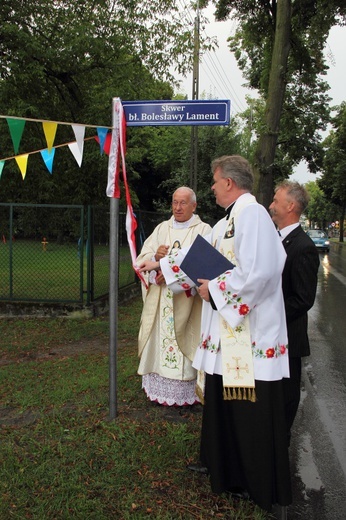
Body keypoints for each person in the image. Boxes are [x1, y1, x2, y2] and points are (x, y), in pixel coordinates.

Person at [138, 156, 292, 515]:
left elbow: (262, 272)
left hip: (245, 336)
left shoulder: (251, 216)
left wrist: (216, 291)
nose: (211, 186)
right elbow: (195, 260)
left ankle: (250, 480)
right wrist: (159, 266)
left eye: (214, 180)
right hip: (229, 334)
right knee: (225, 404)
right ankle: (223, 469)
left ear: (229, 182)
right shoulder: (227, 221)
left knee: (244, 407)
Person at [136, 187, 211, 406]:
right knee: (159, 342)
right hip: (161, 303)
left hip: (187, 303)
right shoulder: (162, 228)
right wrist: (155, 259)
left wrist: (168, 274)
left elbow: (203, 265)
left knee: (186, 341)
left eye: (183, 203)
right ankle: (158, 387)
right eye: (175, 202)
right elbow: (143, 257)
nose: (177, 208)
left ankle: (187, 392)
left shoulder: (204, 230)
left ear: (194, 206)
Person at [269, 180, 319, 443]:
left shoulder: (304, 247)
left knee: (285, 397)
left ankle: (280, 446)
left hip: (288, 338)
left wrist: (267, 314)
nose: (271, 205)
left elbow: (302, 299)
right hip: (269, 337)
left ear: (290, 205)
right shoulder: (273, 238)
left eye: (276, 201)